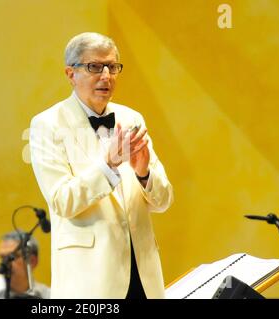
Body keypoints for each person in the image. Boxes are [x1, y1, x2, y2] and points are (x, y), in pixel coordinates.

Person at [29, 32, 173, 299]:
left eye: (113, 67)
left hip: (144, 276)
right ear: (70, 74)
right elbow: (62, 201)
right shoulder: (47, 124)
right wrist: (107, 166)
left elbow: (163, 201)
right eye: (94, 67)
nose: (106, 76)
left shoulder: (131, 118)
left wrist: (144, 173)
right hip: (90, 282)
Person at [0, 231, 50, 299]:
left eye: (12, 257)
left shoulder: (50, 295)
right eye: (2, 257)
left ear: (32, 261)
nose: (5, 262)